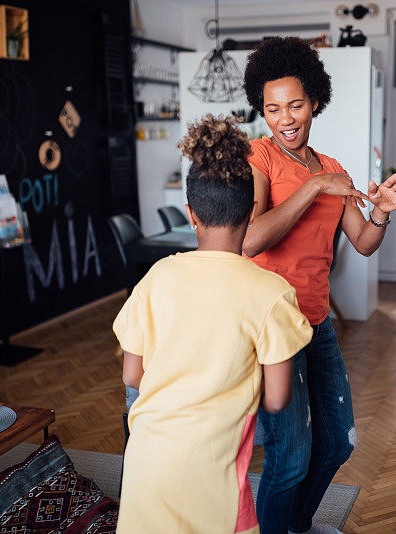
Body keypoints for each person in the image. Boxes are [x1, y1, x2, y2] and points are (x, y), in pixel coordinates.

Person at [241, 37, 396, 534]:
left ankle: (292, 526)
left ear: (314, 101)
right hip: (273, 331)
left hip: (316, 324)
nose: (285, 118)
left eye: (295, 105)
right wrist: (312, 187)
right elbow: (250, 240)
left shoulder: (333, 170)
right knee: (291, 456)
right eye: (272, 108)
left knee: (338, 443)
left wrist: (381, 212)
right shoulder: (258, 158)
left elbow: (363, 243)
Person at [113, 115, 313, 534]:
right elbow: (277, 399)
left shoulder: (156, 277)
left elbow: (133, 374)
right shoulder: (271, 292)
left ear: (190, 214)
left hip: (146, 463)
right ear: (253, 210)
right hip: (214, 472)